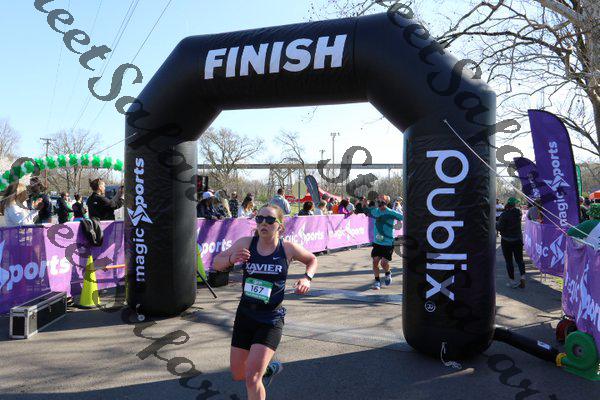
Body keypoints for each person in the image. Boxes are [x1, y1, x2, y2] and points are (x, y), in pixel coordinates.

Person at [213, 205, 318, 400]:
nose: (263, 223)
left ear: (280, 226)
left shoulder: (287, 248)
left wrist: (307, 278)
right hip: (245, 315)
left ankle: (259, 373)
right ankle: (267, 369)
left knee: (252, 379)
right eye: (259, 219)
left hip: (270, 319)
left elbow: (312, 260)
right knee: (238, 374)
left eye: (269, 220)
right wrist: (231, 258)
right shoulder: (246, 243)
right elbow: (216, 263)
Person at [365, 194, 403, 290]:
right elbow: (366, 210)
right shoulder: (375, 211)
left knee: (384, 263)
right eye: (378, 201)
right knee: (375, 261)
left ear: (386, 203)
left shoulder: (391, 212)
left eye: (381, 202)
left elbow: (403, 217)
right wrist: (364, 204)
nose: (379, 203)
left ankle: (388, 273)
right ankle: (377, 281)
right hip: (377, 242)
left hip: (388, 242)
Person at [496, 197, 526, 288]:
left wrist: (495, 224)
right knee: (519, 260)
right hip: (517, 239)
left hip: (506, 240)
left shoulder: (504, 215)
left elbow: (500, 227)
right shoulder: (519, 212)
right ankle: (523, 277)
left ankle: (512, 281)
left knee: (509, 261)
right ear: (514, 204)